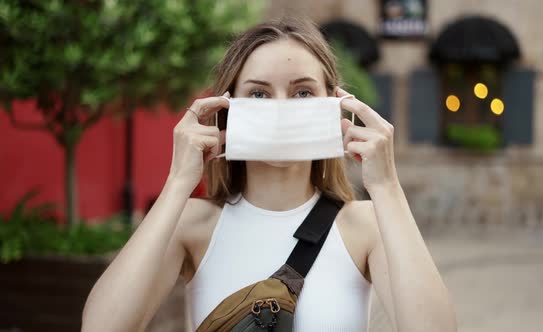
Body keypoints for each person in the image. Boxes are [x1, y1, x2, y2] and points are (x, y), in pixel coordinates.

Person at [82, 17, 457, 332]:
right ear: (229, 107)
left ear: (335, 104)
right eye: (259, 94)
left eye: (302, 92)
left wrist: (387, 186)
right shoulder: (193, 224)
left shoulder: (366, 225)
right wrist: (178, 180)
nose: (280, 107)